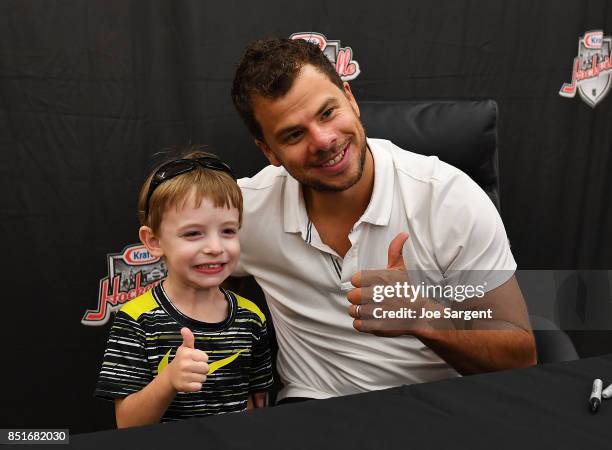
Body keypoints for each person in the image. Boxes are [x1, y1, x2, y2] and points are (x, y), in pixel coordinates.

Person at [230, 37, 536, 402]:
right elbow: (181, 269)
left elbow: (521, 358)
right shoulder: (244, 210)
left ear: (350, 98)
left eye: (328, 112)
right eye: (294, 134)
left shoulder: (448, 199)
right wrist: (238, 375)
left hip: (438, 406)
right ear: (269, 151)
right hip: (313, 410)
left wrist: (424, 320)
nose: (324, 140)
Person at [95, 149, 273, 426]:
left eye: (228, 231)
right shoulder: (137, 319)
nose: (215, 247)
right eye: (193, 233)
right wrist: (168, 381)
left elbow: (257, 402)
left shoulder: (252, 317)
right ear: (153, 241)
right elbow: (127, 424)